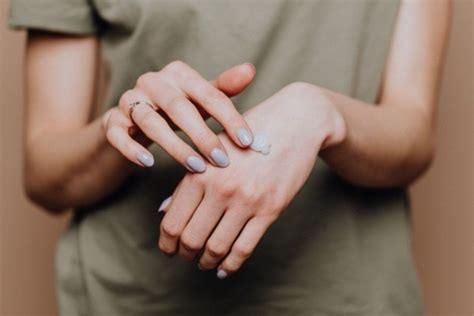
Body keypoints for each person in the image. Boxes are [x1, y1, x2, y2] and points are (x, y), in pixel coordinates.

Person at [8, 0, 450, 315]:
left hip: (346, 294)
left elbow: (412, 139)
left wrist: (322, 115)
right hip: (131, 295)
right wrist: (127, 129)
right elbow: (45, 176)